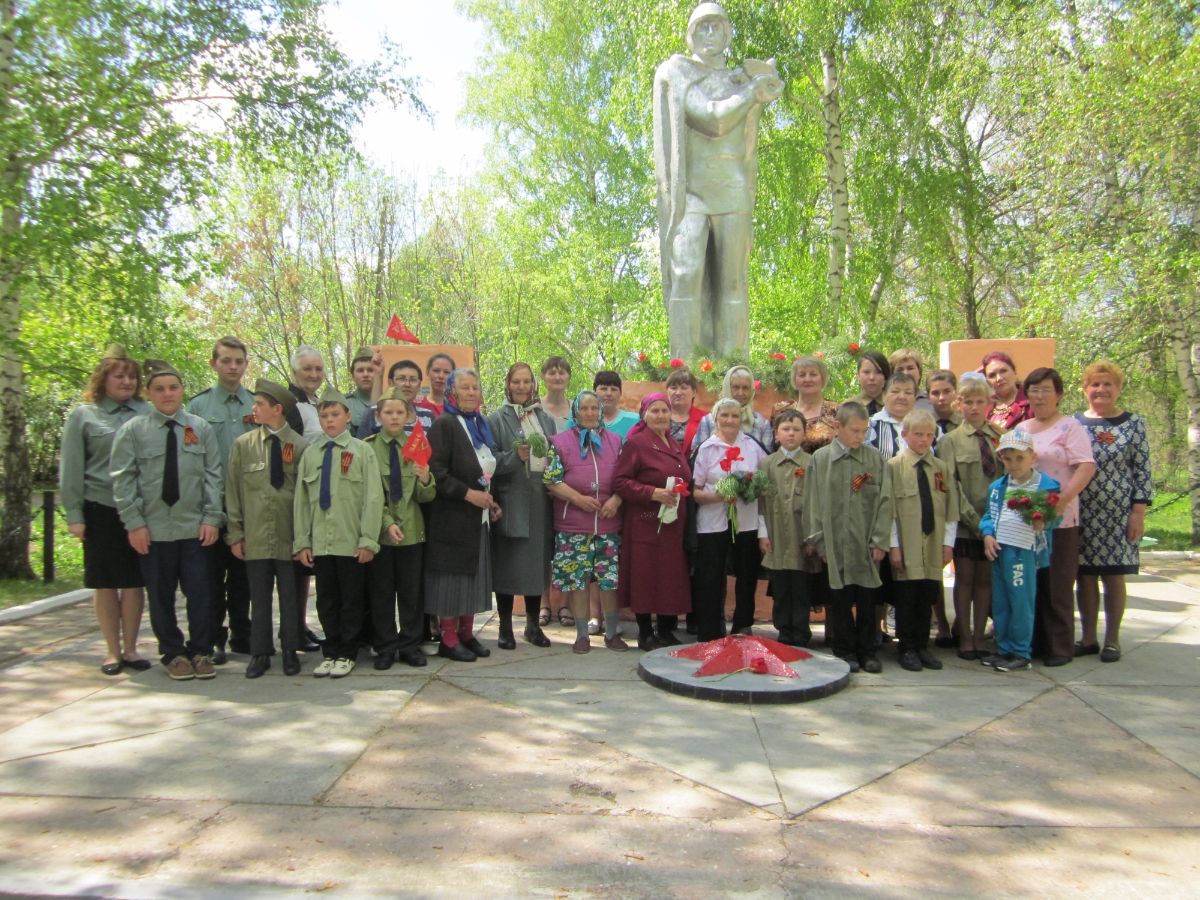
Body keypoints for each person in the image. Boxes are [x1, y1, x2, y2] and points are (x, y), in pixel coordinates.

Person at [653, 2, 783, 357]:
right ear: (690, 34)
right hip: (691, 193)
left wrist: (760, 85)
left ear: (727, 34)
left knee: (733, 281)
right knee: (686, 273)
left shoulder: (739, 79)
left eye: (717, 27)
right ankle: (682, 369)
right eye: (702, 27)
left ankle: (732, 368)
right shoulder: (678, 72)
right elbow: (713, 120)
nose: (709, 34)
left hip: (733, 188)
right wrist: (753, 92)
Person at [110, 359, 223, 681]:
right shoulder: (134, 431)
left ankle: (201, 651)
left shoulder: (200, 428)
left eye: (173, 387)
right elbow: (123, 479)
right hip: (154, 530)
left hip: (194, 528)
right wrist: (134, 523)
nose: (167, 393)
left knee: (201, 594)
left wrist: (212, 518)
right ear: (149, 393)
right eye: (159, 389)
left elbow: (213, 476)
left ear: (182, 390)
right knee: (160, 597)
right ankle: (173, 653)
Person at [59, 344, 150, 675]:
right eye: (118, 376)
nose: (126, 382)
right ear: (103, 379)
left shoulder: (147, 413)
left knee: (134, 582)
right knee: (106, 582)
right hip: (101, 508)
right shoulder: (85, 415)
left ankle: (131, 648)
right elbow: (71, 468)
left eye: (131, 377)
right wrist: (75, 515)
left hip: (140, 512)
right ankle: (112, 651)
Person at [293, 387, 383, 678]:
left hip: (350, 541)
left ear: (348, 416)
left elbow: (373, 499)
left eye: (335, 414)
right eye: (324, 415)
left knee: (352, 600)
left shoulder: (362, 451)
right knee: (326, 600)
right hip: (322, 542)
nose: (330, 420)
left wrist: (368, 540)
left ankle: (347, 652)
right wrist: (302, 541)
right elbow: (301, 502)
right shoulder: (311, 454)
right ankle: (330, 651)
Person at [225, 379, 308, 678]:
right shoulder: (244, 445)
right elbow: (233, 492)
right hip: (256, 534)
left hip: (289, 533)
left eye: (260, 404)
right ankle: (260, 652)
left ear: (277, 409)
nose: (254, 408)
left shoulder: (300, 446)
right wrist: (235, 533)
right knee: (258, 596)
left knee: (290, 595)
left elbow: (305, 495)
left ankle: (290, 649)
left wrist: (304, 538)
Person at [803, 402, 891, 674]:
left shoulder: (874, 459)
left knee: (867, 599)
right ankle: (844, 650)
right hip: (835, 542)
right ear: (837, 426)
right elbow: (812, 502)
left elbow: (885, 501)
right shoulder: (821, 460)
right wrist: (819, 540)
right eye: (854, 430)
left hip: (865, 544)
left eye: (864, 431)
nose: (859, 437)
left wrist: (879, 540)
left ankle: (867, 651)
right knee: (839, 600)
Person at [1074, 361, 1151, 664]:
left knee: (1114, 575)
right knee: (1085, 576)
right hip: (1083, 511)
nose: (1101, 390)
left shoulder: (1133, 424)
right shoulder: (1075, 423)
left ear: (1118, 388)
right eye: (1095, 384)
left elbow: (1142, 469)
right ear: (1085, 389)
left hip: (1119, 513)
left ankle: (1112, 640)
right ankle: (1088, 638)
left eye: (1107, 384)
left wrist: (1138, 512)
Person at [423, 368, 501, 661]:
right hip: (452, 517)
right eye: (465, 387)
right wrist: (469, 494)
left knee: (472, 579)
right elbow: (436, 472)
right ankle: (448, 638)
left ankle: (466, 634)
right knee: (451, 581)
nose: (471, 392)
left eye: (475, 388)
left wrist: (492, 501)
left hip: (477, 519)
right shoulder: (444, 424)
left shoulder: (480, 424)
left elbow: (485, 470)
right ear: (452, 392)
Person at [187, 336, 255, 664]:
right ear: (213, 363)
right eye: (226, 360)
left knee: (244, 577)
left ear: (246, 365)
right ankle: (214, 637)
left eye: (238, 361)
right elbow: (190, 459)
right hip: (211, 505)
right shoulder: (198, 407)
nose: (232, 367)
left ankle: (243, 633)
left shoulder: (256, 404)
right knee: (210, 578)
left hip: (248, 506)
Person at [1022, 367, 1096, 667]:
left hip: (1060, 519)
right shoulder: (1022, 429)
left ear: (1059, 395)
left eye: (1045, 390)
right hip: (1027, 519)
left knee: (1058, 582)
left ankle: (1060, 647)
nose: (1039, 396)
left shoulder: (1070, 427)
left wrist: (1062, 500)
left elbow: (1086, 466)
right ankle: (1035, 643)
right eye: (1034, 390)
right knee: (1033, 583)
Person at [544, 391, 624, 652]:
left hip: (608, 525)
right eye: (584, 408)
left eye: (593, 408)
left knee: (608, 580)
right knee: (577, 580)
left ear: (600, 411)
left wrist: (616, 500)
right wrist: (578, 499)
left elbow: (626, 479)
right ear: (575, 412)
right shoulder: (560, 442)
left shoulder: (615, 441)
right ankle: (581, 635)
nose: (589, 413)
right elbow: (552, 480)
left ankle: (611, 633)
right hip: (574, 526)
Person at [366, 388, 437, 669]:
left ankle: (410, 645)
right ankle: (385, 646)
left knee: (411, 594)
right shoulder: (368, 449)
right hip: (380, 533)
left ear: (408, 415)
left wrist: (426, 479)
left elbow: (425, 497)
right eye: (388, 412)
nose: (394, 417)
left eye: (399, 412)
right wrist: (387, 523)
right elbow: (369, 494)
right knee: (382, 593)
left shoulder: (417, 446)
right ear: (378, 416)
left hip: (411, 532)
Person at [487, 363, 557, 650]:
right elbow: (489, 462)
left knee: (536, 565)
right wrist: (514, 457)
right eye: (516, 381)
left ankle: (532, 625)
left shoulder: (545, 419)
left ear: (533, 385)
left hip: (540, 500)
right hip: (510, 499)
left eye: (526, 381)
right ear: (508, 384)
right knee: (507, 564)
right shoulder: (496, 419)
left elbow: (555, 456)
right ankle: (505, 627)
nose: (522, 386)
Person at [614, 393, 691, 650]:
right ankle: (645, 633)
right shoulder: (637, 443)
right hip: (645, 522)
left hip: (671, 523)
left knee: (669, 576)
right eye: (655, 411)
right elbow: (620, 482)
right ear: (644, 415)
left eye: (664, 411)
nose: (660, 416)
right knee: (645, 577)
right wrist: (652, 493)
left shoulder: (673, 443)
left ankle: (666, 631)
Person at [981, 429, 1062, 672]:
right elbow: (988, 515)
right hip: (1000, 550)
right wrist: (987, 535)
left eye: (1020, 458)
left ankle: (1020, 651)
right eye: (1008, 459)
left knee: (1020, 602)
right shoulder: (998, 487)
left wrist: (1043, 521)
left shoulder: (1044, 486)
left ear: (1032, 457)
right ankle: (1003, 649)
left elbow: (1055, 515)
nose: (1014, 464)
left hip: (1023, 551)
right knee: (1001, 601)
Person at [936, 373, 1004, 660]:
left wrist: (993, 523)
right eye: (968, 402)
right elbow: (951, 484)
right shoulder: (950, 441)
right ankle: (964, 636)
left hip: (995, 523)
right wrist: (976, 524)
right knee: (965, 580)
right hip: (966, 524)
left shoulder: (1000, 437)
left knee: (985, 581)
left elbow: (1008, 479)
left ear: (989, 403)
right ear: (959, 404)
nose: (974, 408)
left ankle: (979, 637)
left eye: (980, 402)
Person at [692, 397, 770, 641]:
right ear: (715, 418)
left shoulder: (753, 446)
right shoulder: (706, 448)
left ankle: (742, 627)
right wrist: (718, 496)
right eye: (724, 415)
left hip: (746, 523)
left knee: (746, 576)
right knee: (711, 577)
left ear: (741, 419)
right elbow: (694, 492)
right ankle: (710, 631)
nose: (729, 420)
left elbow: (765, 484)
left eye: (735, 415)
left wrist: (750, 488)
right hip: (712, 522)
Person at [887, 409, 958, 672]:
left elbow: (950, 510)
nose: (923, 440)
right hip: (907, 544)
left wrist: (948, 543)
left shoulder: (941, 468)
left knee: (928, 595)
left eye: (929, 435)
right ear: (905, 435)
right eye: (917, 434)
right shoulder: (893, 467)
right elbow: (889, 511)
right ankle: (906, 647)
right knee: (907, 597)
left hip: (933, 543)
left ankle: (921, 646)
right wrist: (894, 546)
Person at [757, 408, 819, 646]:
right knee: (781, 586)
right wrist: (763, 535)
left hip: (801, 536)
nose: (791, 434)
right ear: (776, 434)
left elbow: (818, 502)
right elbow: (761, 502)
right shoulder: (767, 464)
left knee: (801, 587)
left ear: (804, 434)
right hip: (776, 537)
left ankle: (801, 631)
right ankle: (783, 630)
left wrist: (814, 537)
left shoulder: (812, 463)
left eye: (796, 429)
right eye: (785, 429)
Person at [693, 365, 773, 451]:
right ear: (727, 387)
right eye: (736, 387)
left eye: (745, 388)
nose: (740, 393)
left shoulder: (761, 423)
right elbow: (698, 454)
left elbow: (767, 457)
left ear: (751, 390)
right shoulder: (709, 421)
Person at [775, 355, 839, 455]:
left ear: (822, 379)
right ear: (794, 380)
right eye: (802, 375)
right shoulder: (781, 410)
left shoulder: (837, 411)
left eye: (813, 374)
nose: (807, 379)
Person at [357, 359, 435, 439]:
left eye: (413, 380)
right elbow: (361, 445)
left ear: (419, 385)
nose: (407, 384)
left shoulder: (428, 416)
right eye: (401, 379)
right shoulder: (373, 413)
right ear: (390, 383)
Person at [867, 373, 920, 461]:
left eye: (908, 393)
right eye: (895, 391)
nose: (902, 397)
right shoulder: (868, 426)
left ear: (915, 398)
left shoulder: (931, 428)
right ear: (884, 395)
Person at [665, 366, 707, 459]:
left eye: (684, 388)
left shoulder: (706, 419)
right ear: (667, 391)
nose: (678, 392)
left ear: (694, 392)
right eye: (673, 388)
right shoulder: (657, 416)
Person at [983, 351, 1032, 430]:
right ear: (987, 381)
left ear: (1014, 372)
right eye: (992, 375)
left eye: (1003, 371)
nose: (999, 378)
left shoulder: (1032, 403)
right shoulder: (983, 407)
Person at [288, 345, 326, 435]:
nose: (314, 375)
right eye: (307, 369)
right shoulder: (289, 406)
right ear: (295, 372)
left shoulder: (322, 404)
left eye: (319, 369)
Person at [592, 370, 639, 441]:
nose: (609, 393)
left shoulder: (635, 420)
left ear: (620, 393)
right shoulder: (584, 421)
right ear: (594, 392)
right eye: (603, 389)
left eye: (613, 389)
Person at [417, 352, 456, 419]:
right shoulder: (417, 405)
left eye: (446, 372)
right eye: (436, 371)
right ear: (427, 373)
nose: (441, 376)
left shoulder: (459, 407)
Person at [852, 350, 891, 416]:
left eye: (878, 372)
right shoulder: (848, 407)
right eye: (866, 372)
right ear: (858, 375)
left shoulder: (896, 405)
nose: (872, 377)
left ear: (885, 376)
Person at [345, 347, 376, 426]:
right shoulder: (344, 404)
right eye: (360, 370)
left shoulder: (387, 402)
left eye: (370, 370)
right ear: (353, 376)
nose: (365, 374)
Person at [540, 356, 573, 429]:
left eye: (561, 373)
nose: (557, 378)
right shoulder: (535, 409)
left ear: (569, 377)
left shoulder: (578, 410)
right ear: (543, 377)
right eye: (552, 373)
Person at [927, 369, 961, 435]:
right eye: (935, 393)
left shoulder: (967, 423)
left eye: (947, 392)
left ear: (956, 393)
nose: (941, 398)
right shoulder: (922, 424)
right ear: (928, 397)